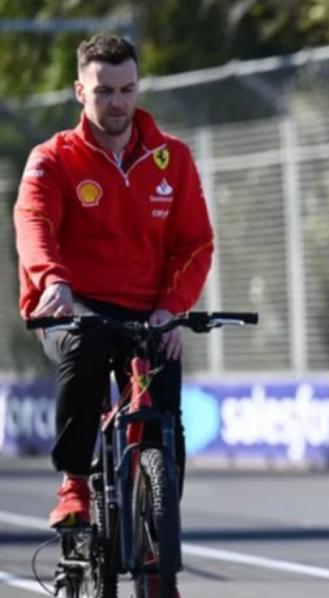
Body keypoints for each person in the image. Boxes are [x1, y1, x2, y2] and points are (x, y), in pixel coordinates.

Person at [13, 34, 213, 532]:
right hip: (72, 307)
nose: (118, 102)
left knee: (164, 422)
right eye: (104, 91)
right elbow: (33, 223)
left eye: (127, 89)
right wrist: (53, 281)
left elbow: (195, 244)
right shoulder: (52, 159)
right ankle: (75, 483)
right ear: (80, 91)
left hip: (149, 314)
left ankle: (158, 547)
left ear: (138, 87)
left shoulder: (175, 159)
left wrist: (171, 308)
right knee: (87, 343)